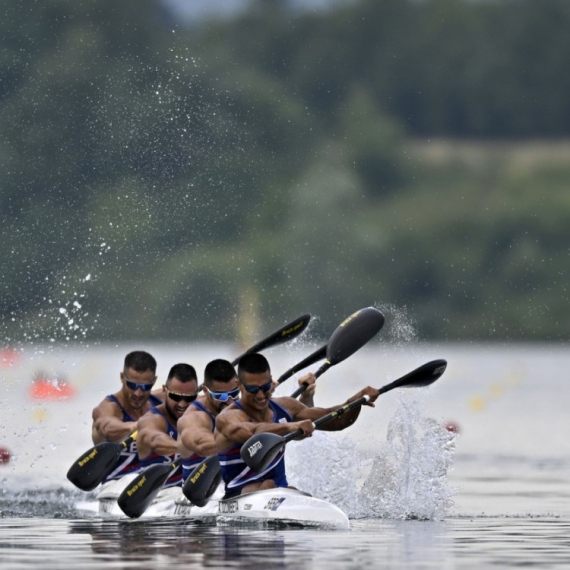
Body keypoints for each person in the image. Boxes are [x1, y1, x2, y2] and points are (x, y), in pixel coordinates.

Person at [215, 353, 379, 499]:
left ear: (272, 383)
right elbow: (253, 431)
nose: (260, 395)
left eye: (265, 388)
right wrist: (290, 426)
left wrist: (356, 401)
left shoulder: (287, 406)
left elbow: (336, 420)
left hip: (279, 491)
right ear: (239, 385)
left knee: (289, 490)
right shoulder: (228, 418)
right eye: (252, 389)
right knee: (268, 485)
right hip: (238, 495)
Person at [177, 358, 317, 481]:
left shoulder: (248, 406)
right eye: (221, 396)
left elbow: (298, 426)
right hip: (200, 489)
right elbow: (203, 447)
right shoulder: (194, 417)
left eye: (233, 393)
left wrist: (306, 397)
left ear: (240, 386)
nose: (229, 401)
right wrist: (235, 437)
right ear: (206, 391)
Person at [91, 351, 160, 482]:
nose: (138, 393)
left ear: (154, 381)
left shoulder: (162, 401)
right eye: (132, 385)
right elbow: (106, 426)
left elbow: (202, 401)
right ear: (122, 378)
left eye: (146, 386)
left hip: (151, 486)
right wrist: (133, 426)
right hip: (116, 486)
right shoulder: (108, 408)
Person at [137, 363, 200, 488]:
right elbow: (155, 440)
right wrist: (187, 447)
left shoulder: (203, 409)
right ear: (164, 391)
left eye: (189, 398)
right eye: (175, 397)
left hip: (194, 493)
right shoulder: (152, 420)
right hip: (160, 495)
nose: (182, 404)